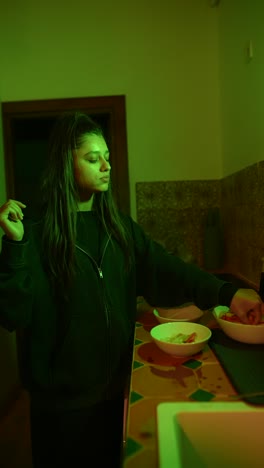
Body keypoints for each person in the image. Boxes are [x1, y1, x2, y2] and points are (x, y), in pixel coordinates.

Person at [0, 111, 263, 468]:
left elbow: (168, 269)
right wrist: (14, 249)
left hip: (116, 392)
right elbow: (12, 314)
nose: (106, 165)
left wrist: (228, 294)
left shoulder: (120, 228)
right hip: (61, 408)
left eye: (107, 157)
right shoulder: (34, 234)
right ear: (65, 163)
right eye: (93, 158)